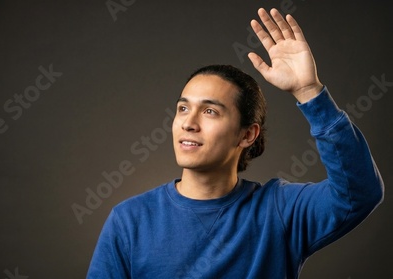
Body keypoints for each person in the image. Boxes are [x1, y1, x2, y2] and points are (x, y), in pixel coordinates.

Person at [87, 8, 384, 279]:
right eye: (182, 108)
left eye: (210, 111)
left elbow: (359, 194)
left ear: (247, 135)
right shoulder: (130, 220)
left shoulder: (280, 211)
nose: (189, 122)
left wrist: (309, 92)